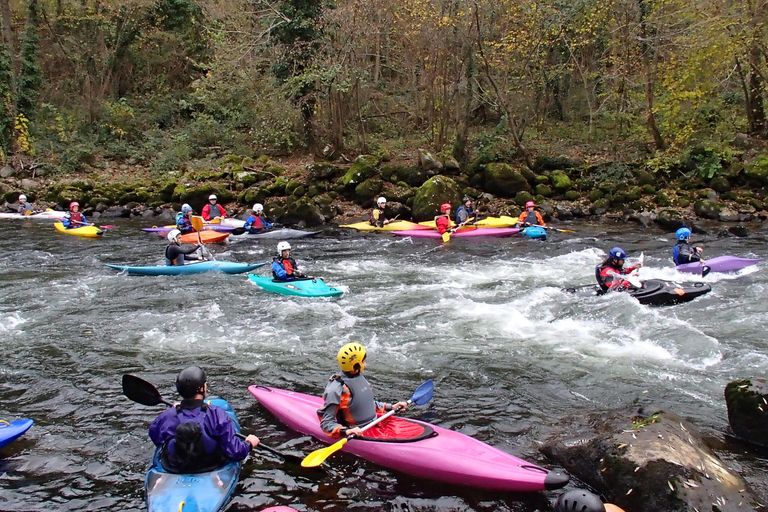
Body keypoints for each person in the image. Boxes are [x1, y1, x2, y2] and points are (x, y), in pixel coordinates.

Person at [148, 366, 259, 473]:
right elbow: (235, 452)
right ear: (202, 388)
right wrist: (249, 444)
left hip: (174, 467)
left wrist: (174, 413)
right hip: (210, 466)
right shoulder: (217, 414)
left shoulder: (167, 416)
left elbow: (156, 438)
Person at [318, 342, 409, 437]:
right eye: (363, 362)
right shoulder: (337, 389)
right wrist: (347, 431)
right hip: (358, 430)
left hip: (374, 423)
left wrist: (392, 406)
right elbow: (326, 423)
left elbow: (364, 403)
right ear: (355, 365)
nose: (365, 365)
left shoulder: (357, 377)